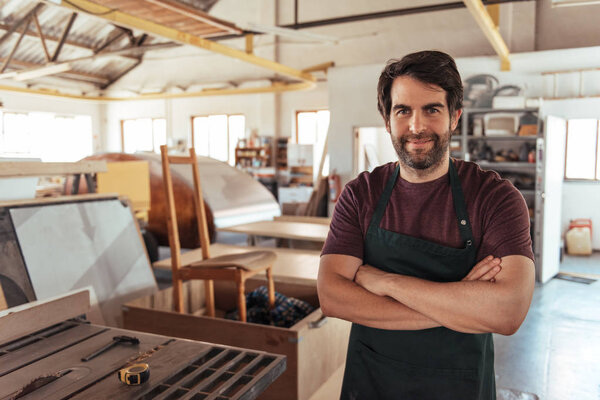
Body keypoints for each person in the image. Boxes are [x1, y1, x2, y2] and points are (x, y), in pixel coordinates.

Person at [317, 50, 535, 400]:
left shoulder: (495, 198)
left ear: (454, 117)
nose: (416, 126)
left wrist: (383, 281)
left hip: (458, 386)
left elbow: (508, 312)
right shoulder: (361, 194)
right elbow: (331, 297)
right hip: (373, 382)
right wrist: (460, 305)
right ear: (387, 120)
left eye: (432, 109)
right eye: (403, 111)